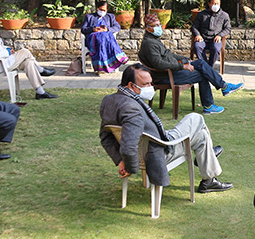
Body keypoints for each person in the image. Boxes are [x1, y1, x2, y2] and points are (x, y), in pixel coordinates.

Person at [99, 64, 232, 193]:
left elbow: (105, 137)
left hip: (151, 142)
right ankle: (209, 163)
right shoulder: (132, 109)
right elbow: (128, 146)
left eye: (151, 83)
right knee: (196, 118)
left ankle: (209, 181)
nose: (150, 87)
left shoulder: (109, 101)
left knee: (201, 136)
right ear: (131, 85)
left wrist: (119, 160)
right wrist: (129, 167)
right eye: (146, 84)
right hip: (160, 151)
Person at [137, 13, 242, 115]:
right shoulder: (149, 44)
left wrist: (187, 60)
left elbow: (169, 55)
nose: (159, 27)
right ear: (148, 28)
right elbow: (159, 64)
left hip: (171, 71)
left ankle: (224, 87)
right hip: (166, 76)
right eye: (155, 25)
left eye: (159, 24)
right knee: (203, 74)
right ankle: (209, 105)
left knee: (201, 63)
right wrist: (182, 66)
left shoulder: (153, 39)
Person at [0, 11, 58, 100]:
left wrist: (7, 49)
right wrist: (7, 53)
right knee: (25, 52)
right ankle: (40, 70)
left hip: (3, 61)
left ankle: (40, 92)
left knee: (28, 62)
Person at [81, 0, 128, 75]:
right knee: (102, 37)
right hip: (93, 38)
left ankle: (102, 68)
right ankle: (119, 57)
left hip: (106, 38)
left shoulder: (110, 17)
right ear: (97, 9)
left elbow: (117, 27)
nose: (102, 11)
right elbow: (83, 29)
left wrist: (107, 29)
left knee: (105, 35)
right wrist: (93, 29)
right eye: (101, 10)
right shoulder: (90, 17)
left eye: (104, 10)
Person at [191, 0, 231, 68]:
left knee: (216, 48)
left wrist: (220, 35)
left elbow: (228, 28)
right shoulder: (201, 14)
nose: (216, 5)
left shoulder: (224, 15)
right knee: (197, 46)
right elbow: (194, 27)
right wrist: (197, 35)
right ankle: (206, 67)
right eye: (213, 3)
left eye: (217, 3)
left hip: (215, 39)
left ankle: (209, 67)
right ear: (209, 4)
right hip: (203, 39)